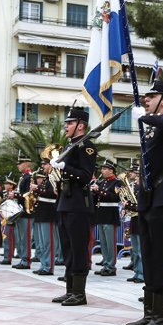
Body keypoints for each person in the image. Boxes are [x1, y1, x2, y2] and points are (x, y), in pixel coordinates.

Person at [124, 80, 163, 325]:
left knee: (160, 258)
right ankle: (149, 313)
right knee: (148, 257)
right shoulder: (149, 126)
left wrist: (148, 118)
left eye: (152, 96)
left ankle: (162, 317)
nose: (146, 100)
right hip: (148, 197)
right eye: (146, 97)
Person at [48, 107, 97, 307]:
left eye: (70, 123)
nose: (66, 126)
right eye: (66, 123)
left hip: (79, 203)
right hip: (65, 202)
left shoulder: (87, 146)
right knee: (67, 249)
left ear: (81, 125)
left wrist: (64, 167)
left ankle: (79, 293)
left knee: (78, 249)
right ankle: (70, 290)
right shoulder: (71, 147)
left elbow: (85, 175)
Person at [92, 159, 122, 277]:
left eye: (104, 169)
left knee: (110, 242)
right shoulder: (102, 182)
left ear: (111, 170)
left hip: (110, 214)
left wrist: (99, 190)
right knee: (103, 243)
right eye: (102, 169)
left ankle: (111, 266)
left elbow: (115, 198)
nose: (102, 171)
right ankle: (105, 264)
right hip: (101, 214)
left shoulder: (117, 183)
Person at [31, 160, 58, 275]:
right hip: (41, 212)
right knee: (42, 243)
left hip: (49, 213)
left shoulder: (55, 177)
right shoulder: (47, 178)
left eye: (45, 164)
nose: (42, 166)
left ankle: (48, 266)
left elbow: (53, 192)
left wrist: (37, 188)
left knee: (48, 242)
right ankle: (43, 264)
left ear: (51, 165)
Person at [13, 154, 34, 269]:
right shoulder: (23, 177)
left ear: (27, 164)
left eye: (20, 163)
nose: (18, 165)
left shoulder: (29, 177)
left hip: (26, 212)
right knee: (21, 237)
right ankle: (23, 258)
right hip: (20, 211)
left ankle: (26, 260)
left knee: (25, 237)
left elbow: (28, 194)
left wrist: (15, 194)